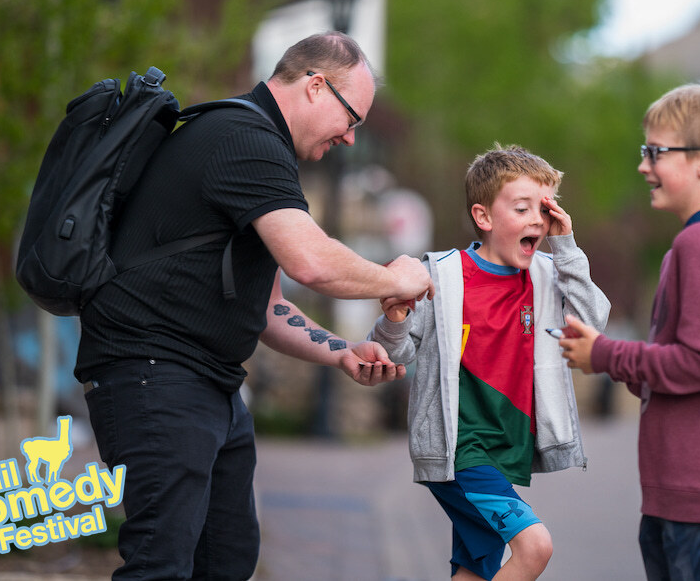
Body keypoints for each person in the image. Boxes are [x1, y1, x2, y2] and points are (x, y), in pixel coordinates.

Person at [74, 32, 434, 580]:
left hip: (207, 383)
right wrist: (396, 277)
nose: (351, 139)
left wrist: (341, 353)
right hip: (154, 375)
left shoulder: (258, 147)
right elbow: (310, 261)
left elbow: (266, 307)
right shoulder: (243, 137)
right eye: (351, 119)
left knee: (226, 561)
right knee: (161, 565)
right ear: (315, 87)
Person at [369, 144, 611, 580]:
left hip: (505, 451)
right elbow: (394, 353)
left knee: (475, 570)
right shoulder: (440, 275)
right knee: (534, 547)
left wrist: (566, 245)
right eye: (522, 208)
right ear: (484, 217)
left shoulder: (547, 274)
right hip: (461, 451)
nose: (537, 219)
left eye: (546, 208)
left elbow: (592, 323)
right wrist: (395, 316)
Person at [559, 83, 700, 581]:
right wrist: (608, 358)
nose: (643, 165)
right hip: (691, 492)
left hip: (699, 493)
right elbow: (681, 364)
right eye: (644, 151)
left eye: (656, 152)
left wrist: (607, 355)